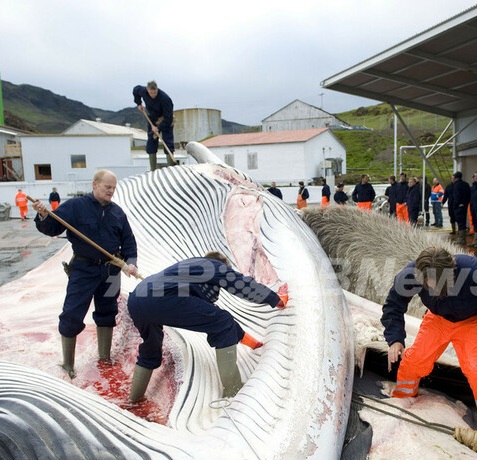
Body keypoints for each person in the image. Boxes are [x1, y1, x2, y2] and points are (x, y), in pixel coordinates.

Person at [381, 246, 477, 434]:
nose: (434, 289)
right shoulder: (410, 275)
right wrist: (395, 339)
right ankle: (403, 399)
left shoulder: (476, 272)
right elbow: (394, 304)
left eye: (439, 284)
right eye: (428, 285)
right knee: (414, 360)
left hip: (472, 321)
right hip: (438, 319)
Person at [126, 252, 288, 401]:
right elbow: (241, 285)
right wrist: (274, 299)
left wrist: (248, 340)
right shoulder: (215, 266)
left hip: (137, 300)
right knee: (222, 323)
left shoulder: (191, 269)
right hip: (161, 299)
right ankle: (233, 390)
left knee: (151, 348)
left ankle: (134, 400)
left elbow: (206, 312)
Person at [32, 169, 139, 379]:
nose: (111, 191)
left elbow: (129, 242)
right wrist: (44, 214)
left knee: (107, 312)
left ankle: (104, 357)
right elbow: (52, 227)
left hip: (110, 270)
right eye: (108, 187)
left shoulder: (117, 213)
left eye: (114, 188)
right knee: (72, 313)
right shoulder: (75, 206)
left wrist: (131, 263)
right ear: (95, 184)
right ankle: (68, 363)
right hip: (83, 269)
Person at [133, 80, 175, 171]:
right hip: (152, 118)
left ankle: (171, 168)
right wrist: (138, 103)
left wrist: (159, 128)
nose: (153, 95)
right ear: (147, 90)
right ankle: (153, 168)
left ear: (157, 89)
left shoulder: (165, 99)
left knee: (168, 141)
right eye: (151, 93)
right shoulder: (142, 91)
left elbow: (169, 118)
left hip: (165, 119)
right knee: (151, 141)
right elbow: (135, 90)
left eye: (155, 92)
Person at [449, 172, 471, 245]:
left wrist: (456, 205)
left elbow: (456, 196)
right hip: (464, 206)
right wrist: (465, 203)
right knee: (463, 222)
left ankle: (461, 239)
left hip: (458, 207)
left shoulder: (456, 185)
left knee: (460, 222)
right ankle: (462, 238)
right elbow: (469, 194)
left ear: (455, 178)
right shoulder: (466, 184)